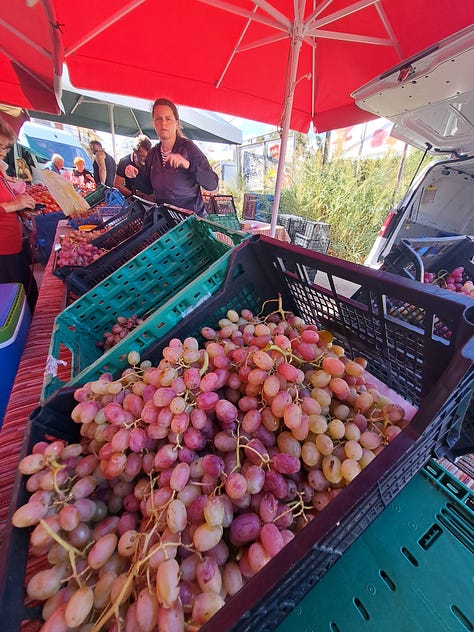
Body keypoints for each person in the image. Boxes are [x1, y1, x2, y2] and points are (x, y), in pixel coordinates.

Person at [125, 98, 218, 215]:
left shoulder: (188, 148)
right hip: (166, 221)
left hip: (191, 222)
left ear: (176, 123)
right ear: (153, 123)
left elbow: (212, 184)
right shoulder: (153, 154)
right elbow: (148, 188)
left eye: (168, 119)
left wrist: (188, 165)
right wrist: (134, 175)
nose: (163, 123)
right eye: (158, 119)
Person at [0, 119, 39, 313]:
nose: (2, 153)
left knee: (29, 297)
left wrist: (20, 208)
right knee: (15, 307)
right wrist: (12, 205)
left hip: (12, 249)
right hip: (2, 255)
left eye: (5, 149)